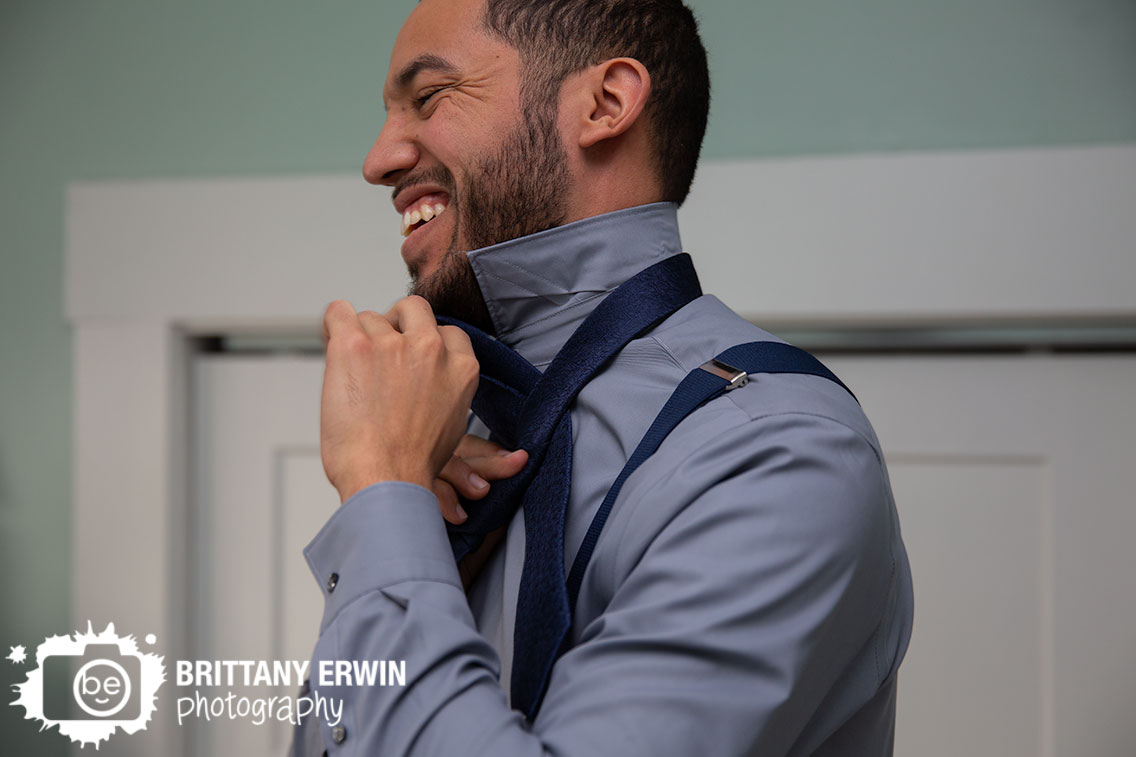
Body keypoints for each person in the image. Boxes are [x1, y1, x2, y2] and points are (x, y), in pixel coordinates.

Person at [295, 0, 913, 754]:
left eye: (428, 98)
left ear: (607, 103)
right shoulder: (451, 447)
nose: (379, 159)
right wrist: (404, 518)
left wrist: (381, 496)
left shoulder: (782, 453)